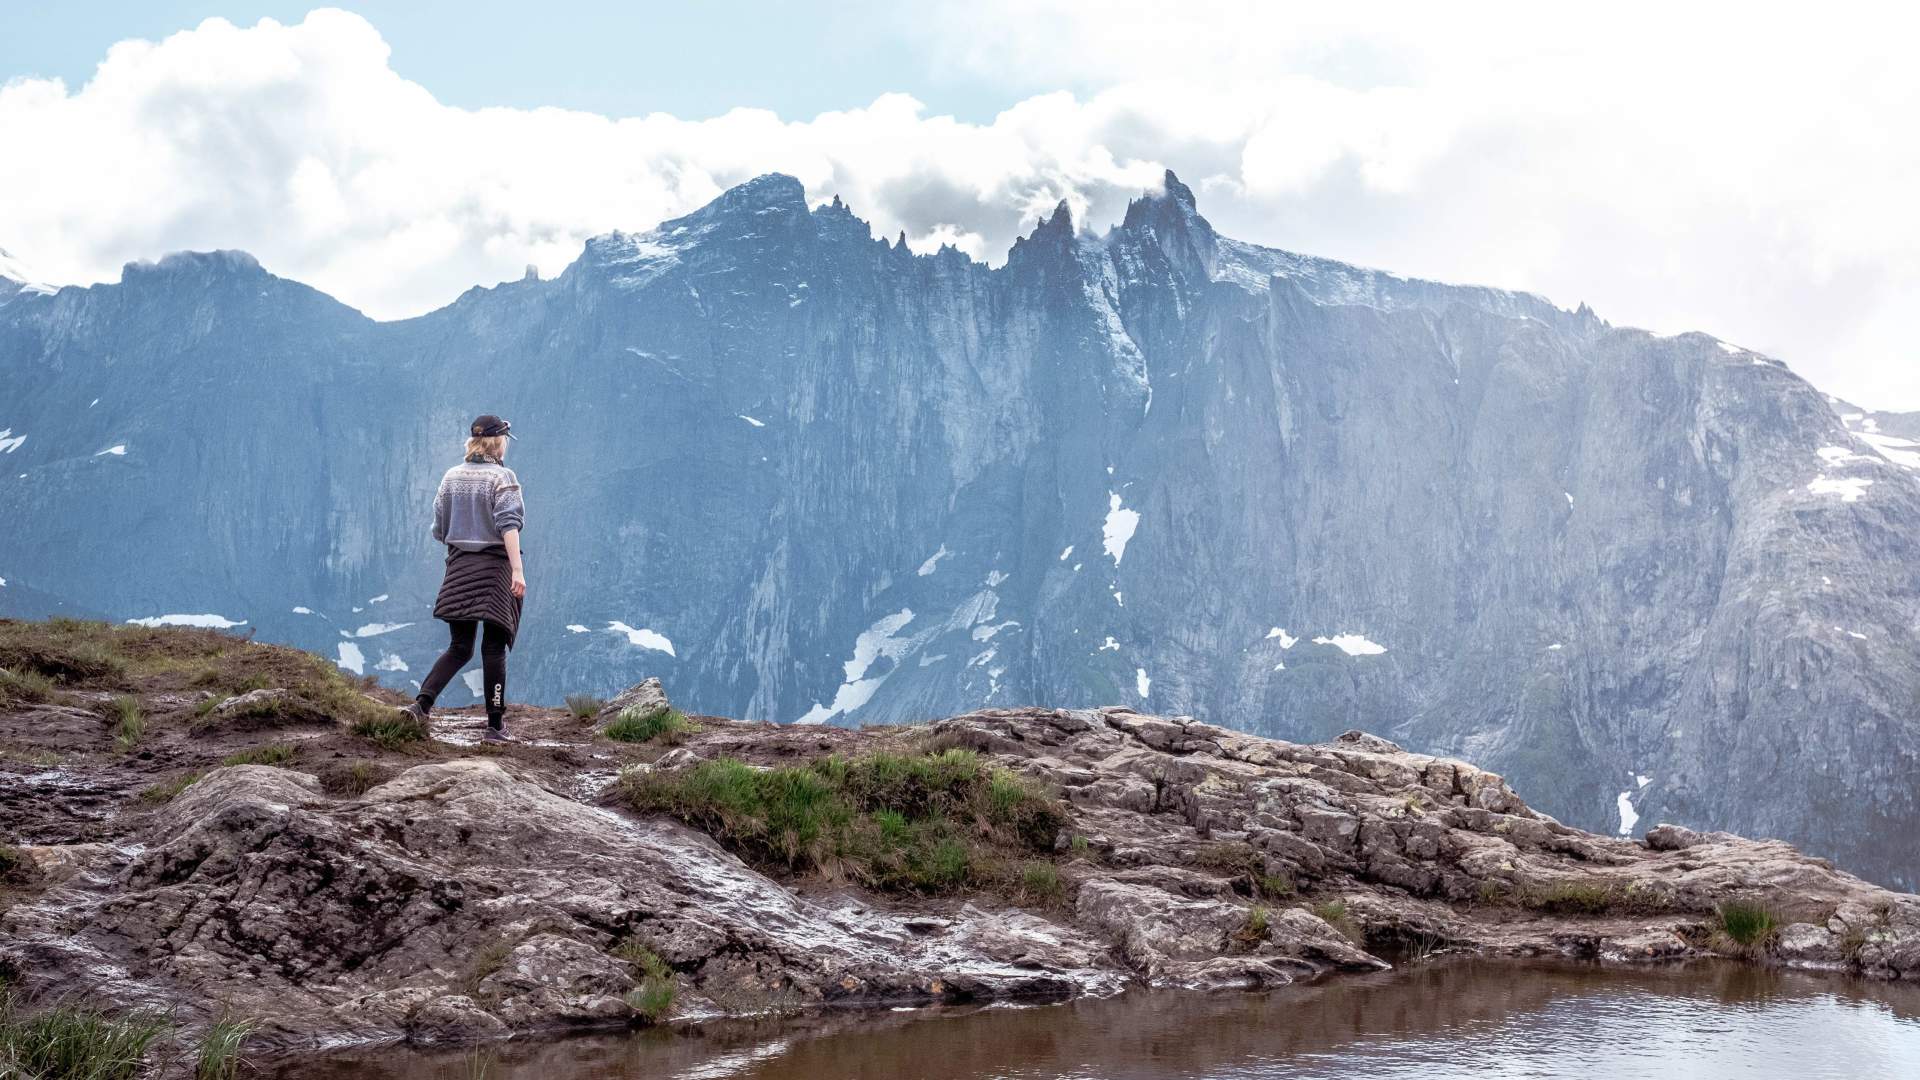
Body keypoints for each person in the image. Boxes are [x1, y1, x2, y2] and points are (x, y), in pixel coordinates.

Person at [403, 415, 527, 742]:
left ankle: (420, 706)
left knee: (459, 647)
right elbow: (509, 525)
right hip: (496, 569)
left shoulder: (451, 477)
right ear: (498, 442)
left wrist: (465, 529)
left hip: (459, 567)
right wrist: (517, 570)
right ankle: (495, 726)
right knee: (493, 648)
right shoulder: (503, 478)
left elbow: (439, 529)